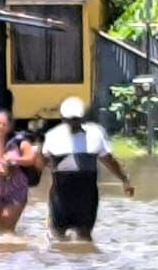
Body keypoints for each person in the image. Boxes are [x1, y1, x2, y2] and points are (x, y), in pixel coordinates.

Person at [40, 96, 132, 242]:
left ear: (82, 118)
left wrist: (125, 180)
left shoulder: (95, 134)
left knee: (84, 237)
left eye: (76, 119)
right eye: (70, 119)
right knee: (58, 237)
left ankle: (86, 263)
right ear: (63, 118)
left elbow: (109, 160)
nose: (73, 122)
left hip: (87, 196)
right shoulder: (53, 136)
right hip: (61, 196)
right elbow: (42, 162)